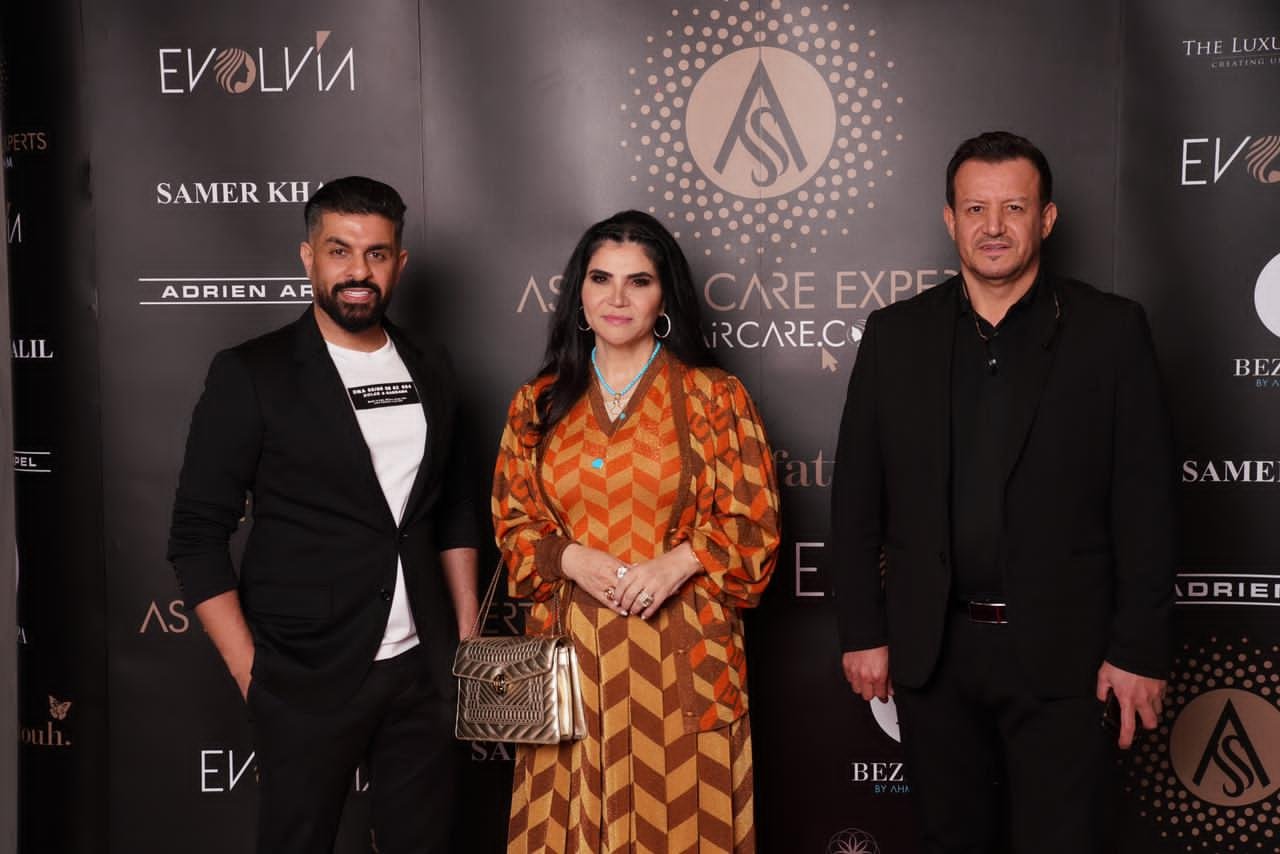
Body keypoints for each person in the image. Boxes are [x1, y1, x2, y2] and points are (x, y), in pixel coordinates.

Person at [829, 132, 1176, 853]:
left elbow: (1147, 505)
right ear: (950, 219)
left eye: (1014, 208)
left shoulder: (1111, 332)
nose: (994, 226)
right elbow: (856, 502)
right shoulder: (895, 335)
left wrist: (1138, 649)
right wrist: (863, 631)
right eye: (975, 208)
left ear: (1046, 218)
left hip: (1067, 656)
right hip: (935, 651)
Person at [167, 176, 480, 854]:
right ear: (308, 257)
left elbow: (454, 505)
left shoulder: (431, 363)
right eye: (340, 251)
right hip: (303, 673)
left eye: (376, 253)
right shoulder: (252, 372)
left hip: (424, 666)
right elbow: (195, 537)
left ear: (399, 263)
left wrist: (463, 631)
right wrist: (254, 675)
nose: (358, 272)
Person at [492, 210, 780, 854]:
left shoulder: (714, 396)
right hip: (568, 660)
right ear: (579, 293)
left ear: (664, 296)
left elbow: (755, 525)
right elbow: (513, 525)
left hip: (683, 658)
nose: (617, 298)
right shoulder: (538, 403)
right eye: (601, 278)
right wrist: (569, 558)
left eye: (639, 281)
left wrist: (678, 562)